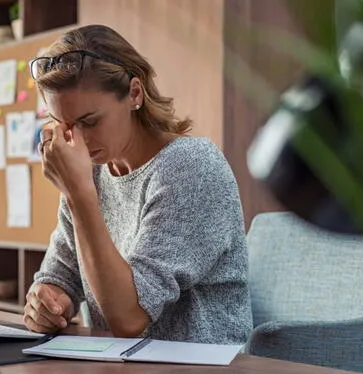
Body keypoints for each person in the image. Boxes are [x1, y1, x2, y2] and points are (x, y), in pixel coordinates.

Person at [24, 24, 252, 344]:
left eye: (90, 121)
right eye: (64, 125)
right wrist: (48, 300)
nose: (77, 140)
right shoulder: (92, 173)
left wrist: (78, 194)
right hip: (121, 363)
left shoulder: (190, 167)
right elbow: (61, 274)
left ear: (134, 93)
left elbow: (129, 317)